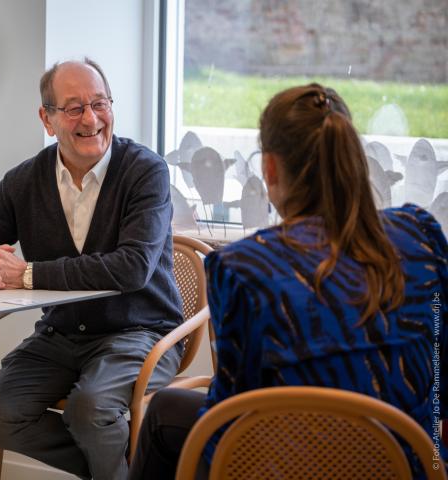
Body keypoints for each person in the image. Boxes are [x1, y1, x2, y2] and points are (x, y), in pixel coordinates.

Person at [127, 83, 448, 479]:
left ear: (270, 169)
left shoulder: (244, 267)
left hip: (293, 467)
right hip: (412, 464)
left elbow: (230, 423)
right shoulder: (421, 236)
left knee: (163, 412)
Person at [0, 58, 183, 480]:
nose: (91, 118)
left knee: (91, 411)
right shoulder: (26, 180)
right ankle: (129, 471)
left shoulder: (145, 171)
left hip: (141, 331)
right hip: (62, 335)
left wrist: (25, 273)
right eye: (73, 108)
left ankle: (119, 468)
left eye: (100, 103)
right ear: (47, 120)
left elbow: (132, 268)